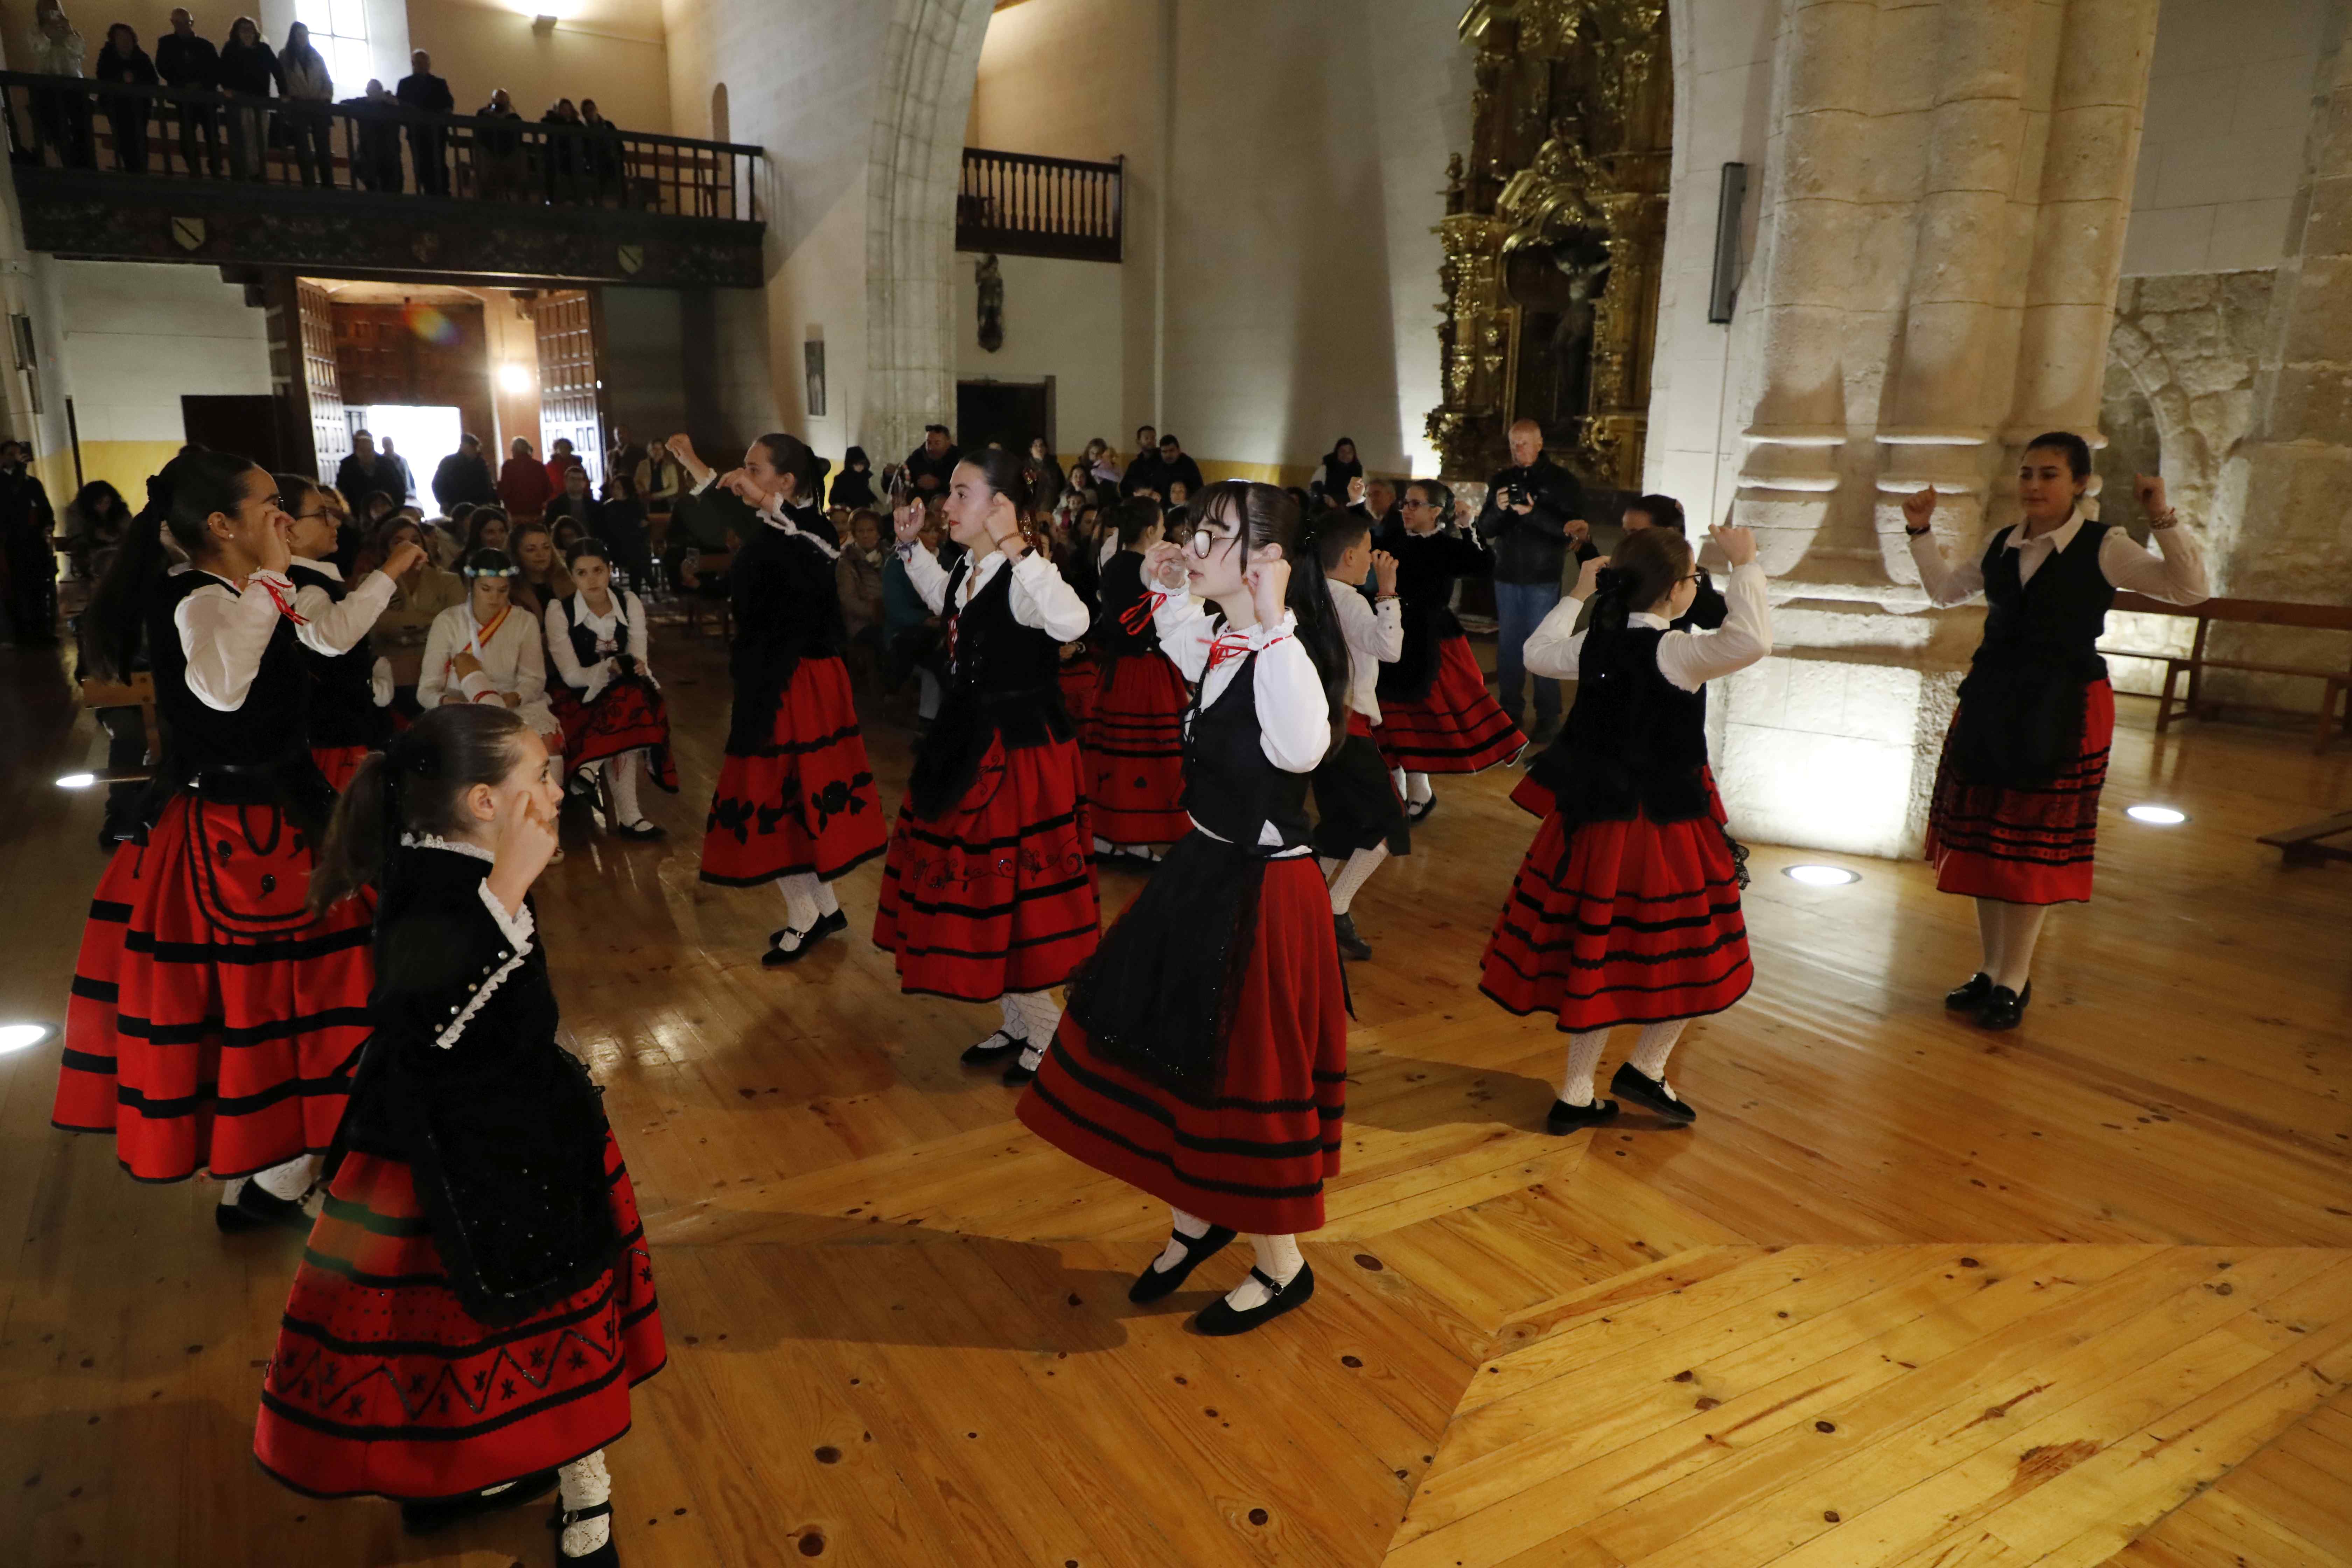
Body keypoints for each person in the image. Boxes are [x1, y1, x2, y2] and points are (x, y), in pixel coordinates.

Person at [252, 704, 664, 1562]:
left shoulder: (465, 860)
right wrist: (508, 887)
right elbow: (422, 1019)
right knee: (528, 1322)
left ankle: (552, 1477)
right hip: (450, 1157)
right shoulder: (433, 882)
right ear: (485, 802)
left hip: (515, 1134)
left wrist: (507, 882)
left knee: (529, 1317)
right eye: (540, 777)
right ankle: (565, 1493)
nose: (555, 789)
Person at [1017, 480, 1351, 1336]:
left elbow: (1306, 744)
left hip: (1265, 894)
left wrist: (1274, 620)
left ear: (1268, 560)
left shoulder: (1283, 649)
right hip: (1204, 872)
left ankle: (1285, 1268)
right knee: (1171, 1054)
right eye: (1196, 527)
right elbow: (1177, 634)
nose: (1195, 542)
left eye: (1216, 534)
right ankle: (1197, 1219)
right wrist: (1167, 582)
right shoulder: (1224, 637)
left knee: (1244, 1076)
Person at [54, 452, 398, 1228]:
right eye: (272, 505)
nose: (285, 517)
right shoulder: (198, 600)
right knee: (262, 1005)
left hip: (282, 818)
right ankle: (279, 1171)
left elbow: (323, 645)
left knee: (312, 997)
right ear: (222, 524)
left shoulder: (242, 591)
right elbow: (220, 688)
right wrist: (275, 578)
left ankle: (284, 1170)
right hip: (236, 838)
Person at [1906, 438, 2209, 1030]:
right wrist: (1921, 533)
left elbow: (2190, 589)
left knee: (2029, 846)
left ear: (2080, 484)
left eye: (2050, 474)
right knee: (1986, 839)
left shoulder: (2106, 545)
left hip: (2063, 704)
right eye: (2027, 474)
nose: (2034, 485)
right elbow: (1945, 591)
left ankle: (2014, 981)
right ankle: (1991, 970)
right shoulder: (2004, 541)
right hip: (1994, 696)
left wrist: (2162, 517)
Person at [1481, 523, 1771, 1131]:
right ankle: (1644, 1066)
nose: (1696, 588)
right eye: (1694, 579)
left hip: (1592, 826)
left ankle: (1578, 1092)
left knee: (1598, 952)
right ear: (1673, 591)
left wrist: (1576, 592)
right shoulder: (1679, 651)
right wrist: (1746, 565)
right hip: (1659, 828)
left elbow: (1536, 653)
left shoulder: (1596, 643)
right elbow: (1752, 641)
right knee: (1696, 953)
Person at [877, 449, 1098, 1084]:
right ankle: (1018, 1018)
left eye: (962, 493)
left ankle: (1049, 1027)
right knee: (987, 890)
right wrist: (911, 549)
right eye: (951, 493)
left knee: (1014, 894)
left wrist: (1022, 549)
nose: (947, 505)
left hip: (1019, 757)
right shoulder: (971, 568)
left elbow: (1072, 621)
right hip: (970, 743)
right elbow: (950, 602)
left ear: (1003, 507)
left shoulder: (1028, 575)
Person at [671, 432, 887, 959]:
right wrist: (696, 463)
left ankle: (804, 914)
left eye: (754, 468)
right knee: (788, 797)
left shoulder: (811, 526)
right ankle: (825, 908)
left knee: (778, 796)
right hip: (771, 675)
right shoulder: (768, 523)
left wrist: (759, 498)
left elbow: (814, 544)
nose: (742, 475)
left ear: (786, 482)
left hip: (802, 681)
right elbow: (729, 506)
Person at [1374, 480, 1526, 818]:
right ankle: (1395, 787)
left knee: (1422, 713)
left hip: (1429, 639)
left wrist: (1468, 527)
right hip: (1390, 631)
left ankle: (1420, 790)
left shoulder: (1447, 546)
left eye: (1415, 504)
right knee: (1387, 714)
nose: (1407, 510)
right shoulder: (1394, 540)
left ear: (1435, 512)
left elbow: (1483, 564)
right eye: (1405, 503)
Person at [1307, 512, 1407, 962]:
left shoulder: (1309, 595)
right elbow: (1390, 649)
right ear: (1350, 556)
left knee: (1341, 824)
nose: (1373, 558)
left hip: (1321, 725)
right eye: (1368, 550)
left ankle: (1309, 907)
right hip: (1349, 727)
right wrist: (1387, 592)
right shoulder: (1349, 599)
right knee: (1390, 824)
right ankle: (1333, 906)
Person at [418, 551, 564, 833]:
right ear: (471, 586)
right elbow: (427, 690)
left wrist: (510, 700)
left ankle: (547, 828)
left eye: (502, 590)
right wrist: (453, 701)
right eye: (486, 589)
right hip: (460, 707)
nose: (494, 598)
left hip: (513, 704)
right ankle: (484, 833)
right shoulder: (448, 622)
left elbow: (534, 679)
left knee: (546, 742)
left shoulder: (524, 621)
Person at [1083, 499, 1191, 865]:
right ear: (1149, 531)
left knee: (1113, 756)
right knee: (1141, 758)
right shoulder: (1148, 566)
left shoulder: (1112, 561)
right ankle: (1132, 840)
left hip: (1116, 672)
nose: (1164, 532)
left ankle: (1107, 836)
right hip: (1143, 671)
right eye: (1161, 526)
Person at [281, 473, 405, 791]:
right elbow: (331, 638)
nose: (334, 522)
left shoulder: (309, 578)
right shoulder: (301, 583)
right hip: (334, 741)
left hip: (348, 731)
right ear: (288, 529)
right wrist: (391, 570)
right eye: (322, 514)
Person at [546, 538, 674, 840]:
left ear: (610, 570)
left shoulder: (629, 602)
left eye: (598, 570)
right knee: (629, 704)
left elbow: (639, 658)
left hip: (625, 692)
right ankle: (630, 818)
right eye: (582, 573)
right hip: (579, 697)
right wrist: (610, 668)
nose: (592, 579)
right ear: (572, 575)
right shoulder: (559, 611)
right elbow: (572, 675)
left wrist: (635, 667)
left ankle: (589, 767)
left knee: (629, 697)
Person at [1475, 418, 1592, 743]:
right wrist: (1499, 510)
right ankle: (1509, 712)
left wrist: (1533, 513)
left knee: (1545, 646)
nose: (1519, 450)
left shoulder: (1561, 481)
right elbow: (1485, 529)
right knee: (1509, 649)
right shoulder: (1502, 479)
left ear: (1540, 444)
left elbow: (1573, 529)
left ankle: (1548, 716)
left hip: (1543, 577)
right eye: (1514, 444)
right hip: (1507, 575)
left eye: (1525, 443)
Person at [1621, 493, 1726, 631]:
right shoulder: (1623, 568)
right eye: (1626, 533)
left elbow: (1716, 618)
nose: (1628, 541)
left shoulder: (1688, 579)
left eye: (1637, 533)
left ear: (1669, 533)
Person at [0, 440, 60, 644]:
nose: (15, 458)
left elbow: (46, 510)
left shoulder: (33, 483)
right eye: (10, 454)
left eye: (18, 454)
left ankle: (43, 631)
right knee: (17, 590)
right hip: (10, 546)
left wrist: (48, 527)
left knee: (39, 588)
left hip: (35, 544)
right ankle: (21, 633)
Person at [25, 3, 92, 171]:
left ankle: (84, 166)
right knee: (57, 130)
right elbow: (38, 49)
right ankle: (67, 163)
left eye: (53, 7)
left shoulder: (70, 29)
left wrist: (68, 30)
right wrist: (47, 32)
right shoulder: (35, 31)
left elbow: (80, 51)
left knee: (80, 129)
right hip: (47, 86)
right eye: (46, 8)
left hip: (73, 83)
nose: (51, 11)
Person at [157, 9, 223, 177]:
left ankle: (216, 171)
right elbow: (163, 67)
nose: (183, 27)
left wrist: (200, 85)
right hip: (184, 98)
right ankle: (195, 171)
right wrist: (183, 85)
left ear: (192, 23)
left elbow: (216, 70)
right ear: (173, 23)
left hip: (206, 97)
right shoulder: (166, 44)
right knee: (187, 138)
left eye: (186, 23)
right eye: (179, 23)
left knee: (213, 138)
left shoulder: (205, 45)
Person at [215, 14, 279, 181]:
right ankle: (243, 174)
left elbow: (278, 70)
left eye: (251, 29)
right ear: (236, 32)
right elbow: (222, 71)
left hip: (260, 101)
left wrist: (284, 92)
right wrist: (227, 88)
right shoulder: (231, 49)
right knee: (241, 138)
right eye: (243, 29)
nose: (248, 33)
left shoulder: (264, 50)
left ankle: (258, 174)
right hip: (239, 101)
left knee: (260, 140)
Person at [92, 22, 159, 174]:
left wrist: (135, 80)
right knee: (125, 142)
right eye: (120, 38)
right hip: (117, 108)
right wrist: (120, 78)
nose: (125, 41)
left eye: (128, 37)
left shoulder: (142, 58)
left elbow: (153, 81)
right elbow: (103, 77)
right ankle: (133, 174)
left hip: (140, 109)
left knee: (140, 142)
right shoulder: (107, 58)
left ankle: (140, 174)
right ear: (113, 41)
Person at [276, 19, 331, 186]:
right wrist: (285, 95)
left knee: (323, 147)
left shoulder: (316, 56)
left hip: (318, 105)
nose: (303, 38)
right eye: (300, 35)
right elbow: (282, 79)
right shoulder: (285, 57)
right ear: (293, 36)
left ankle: (328, 183)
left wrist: (326, 95)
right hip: (298, 105)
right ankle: (309, 183)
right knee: (302, 148)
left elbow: (326, 80)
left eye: (305, 35)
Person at [394, 49, 453, 196]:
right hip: (417, 132)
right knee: (422, 166)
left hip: (436, 132)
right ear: (413, 64)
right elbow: (401, 106)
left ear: (429, 64)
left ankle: (442, 193)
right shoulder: (405, 84)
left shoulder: (439, 83)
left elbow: (448, 104)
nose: (421, 65)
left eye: (423, 62)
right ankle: (430, 193)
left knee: (439, 164)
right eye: (418, 63)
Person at [837, 508, 887, 656]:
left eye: (870, 530)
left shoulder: (891, 555)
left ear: (878, 533)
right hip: (861, 624)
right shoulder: (846, 561)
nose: (866, 535)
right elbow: (848, 600)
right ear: (854, 534)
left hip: (892, 617)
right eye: (861, 531)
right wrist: (878, 612)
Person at [59, 477, 128, 581]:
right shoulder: (77, 511)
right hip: (89, 558)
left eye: (108, 502)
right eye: (99, 503)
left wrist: (118, 537)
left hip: (120, 556)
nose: (104, 507)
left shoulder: (120, 510)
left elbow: (131, 532)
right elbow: (75, 538)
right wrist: (94, 537)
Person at [340, 76, 401, 190]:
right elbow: (343, 103)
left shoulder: (390, 103)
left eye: (375, 91)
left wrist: (395, 103)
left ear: (381, 91)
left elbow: (406, 110)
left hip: (388, 154)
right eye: (370, 91)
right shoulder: (364, 103)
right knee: (374, 184)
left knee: (390, 187)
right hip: (369, 154)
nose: (372, 94)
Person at [473, 87, 526, 201]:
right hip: (489, 156)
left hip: (509, 157)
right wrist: (488, 116)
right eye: (497, 100)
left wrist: (503, 120)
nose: (500, 103)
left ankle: (522, 202)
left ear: (508, 104)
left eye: (503, 100)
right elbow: (480, 136)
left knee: (521, 154)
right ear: (492, 102)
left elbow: (516, 140)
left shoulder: (514, 119)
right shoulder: (484, 116)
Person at [335, 431, 400, 510]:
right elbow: (341, 492)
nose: (366, 454)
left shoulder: (387, 464)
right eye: (362, 450)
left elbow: (399, 489)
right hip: (358, 513)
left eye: (369, 450)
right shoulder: (347, 466)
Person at [432, 433, 497, 512]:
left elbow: (488, 485)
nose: (477, 451)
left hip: (478, 508)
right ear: (466, 446)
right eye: (474, 448)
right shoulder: (449, 463)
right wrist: (444, 502)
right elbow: (437, 484)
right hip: (457, 507)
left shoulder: (480, 464)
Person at [500, 436, 557, 519]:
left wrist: (507, 504)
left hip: (515, 511)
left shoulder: (508, 466)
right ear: (529, 449)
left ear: (513, 450)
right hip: (536, 510)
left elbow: (504, 489)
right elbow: (548, 489)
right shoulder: (538, 466)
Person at [580, 97, 623, 202]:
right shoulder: (584, 130)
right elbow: (586, 149)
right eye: (587, 111)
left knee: (620, 176)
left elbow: (619, 143)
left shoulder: (608, 125)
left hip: (612, 160)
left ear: (596, 109)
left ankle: (623, 203)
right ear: (585, 115)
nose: (591, 113)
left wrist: (619, 156)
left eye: (592, 109)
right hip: (596, 163)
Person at [902, 423, 960, 497]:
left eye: (937, 443)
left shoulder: (958, 458)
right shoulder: (917, 456)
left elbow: (964, 486)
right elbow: (903, 480)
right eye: (929, 443)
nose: (931, 448)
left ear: (948, 443)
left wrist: (939, 484)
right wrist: (890, 475)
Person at [1314, 437, 1363, 506]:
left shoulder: (1359, 470)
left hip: (1351, 510)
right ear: (1337, 452)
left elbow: (1362, 495)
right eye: (1342, 451)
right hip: (1327, 508)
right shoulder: (1326, 468)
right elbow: (1315, 487)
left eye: (1349, 452)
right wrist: (1327, 499)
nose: (1346, 455)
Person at [828, 445, 876, 510]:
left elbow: (866, 493)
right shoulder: (842, 479)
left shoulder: (864, 476)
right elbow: (833, 499)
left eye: (862, 464)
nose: (860, 467)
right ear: (851, 465)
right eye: (856, 464)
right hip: (847, 513)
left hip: (863, 513)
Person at [1119, 425, 1162, 498]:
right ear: (1138, 441)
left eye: (1153, 438)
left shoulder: (1163, 460)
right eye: (1147, 438)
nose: (1150, 441)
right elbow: (1124, 487)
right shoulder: (1135, 465)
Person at [1026, 435, 1065, 515]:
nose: (1039, 448)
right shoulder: (1026, 468)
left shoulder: (1055, 467)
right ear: (1031, 450)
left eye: (1042, 445)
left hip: (1052, 510)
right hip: (1031, 511)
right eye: (1036, 446)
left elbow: (1062, 487)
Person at [379, 436, 418, 502]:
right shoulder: (381, 462)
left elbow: (410, 479)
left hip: (407, 495)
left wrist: (413, 494)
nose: (390, 447)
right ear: (383, 446)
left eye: (391, 444)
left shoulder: (402, 461)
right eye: (387, 445)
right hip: (390, 497)